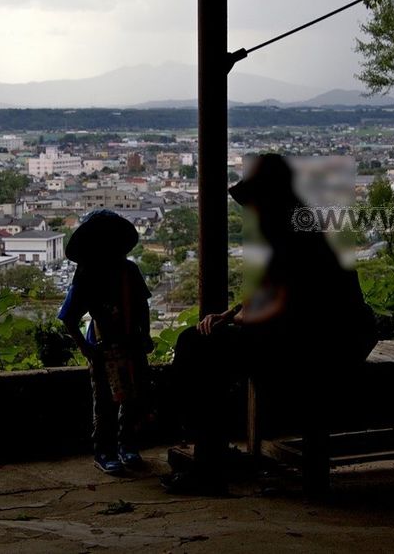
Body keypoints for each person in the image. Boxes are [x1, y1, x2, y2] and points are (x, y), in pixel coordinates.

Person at [162, 154, 380, 494]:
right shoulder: (303, 226)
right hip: (329, 337)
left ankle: (208, 463)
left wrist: (231, 318)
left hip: (319, 344)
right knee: (202, 345)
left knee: (196, 346)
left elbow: (280, 304)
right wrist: (232, 314)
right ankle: (211, 455)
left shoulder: (291, 235)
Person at [58, 209, 154, 475]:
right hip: (103, 347)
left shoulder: (129, 271)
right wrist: (87, 349)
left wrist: (144, 334)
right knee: (106, 404)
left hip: (131, 342)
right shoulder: (86, 275)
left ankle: (127, 446)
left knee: (132, 399)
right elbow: (69, 316)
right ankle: (105, 451)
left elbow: (141, 306)